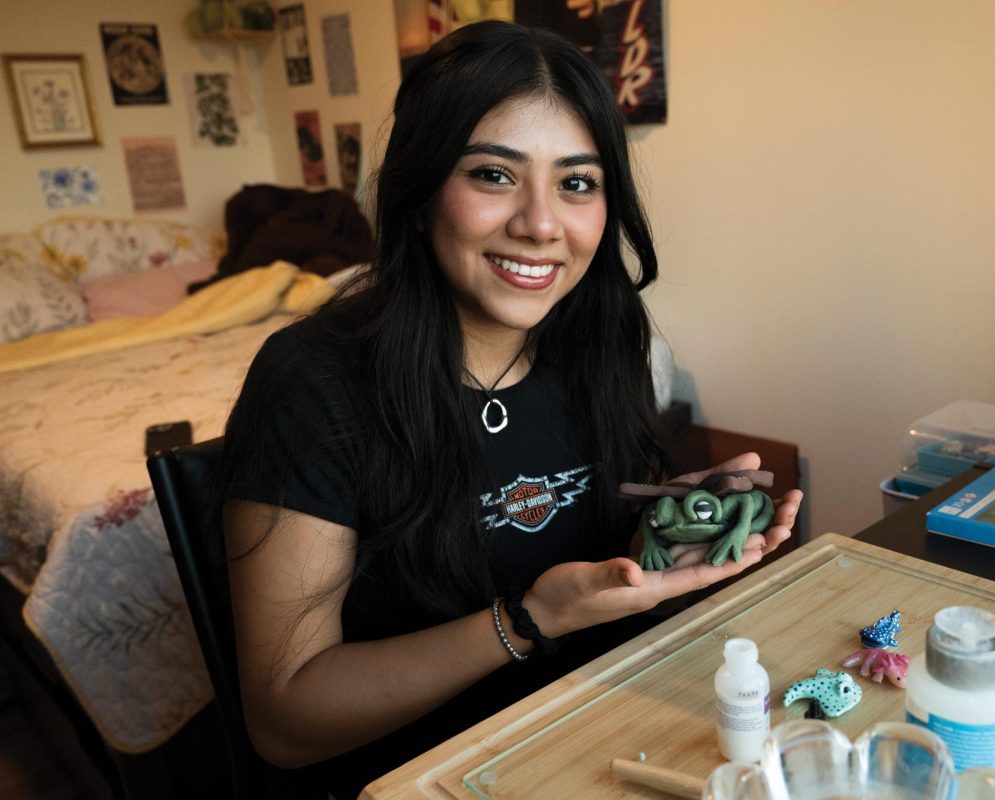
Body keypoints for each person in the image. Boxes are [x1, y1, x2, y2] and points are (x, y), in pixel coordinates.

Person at [218, 20, 802, 800]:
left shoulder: (598, 341)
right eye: (494, 175)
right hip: (425, 776)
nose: (540, 222)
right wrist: (527, 622)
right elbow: (286, 721)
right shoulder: (313, 385)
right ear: (420, 192)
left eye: (578, 182)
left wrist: (663, 529)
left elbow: (581, 555)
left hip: (596, 732)